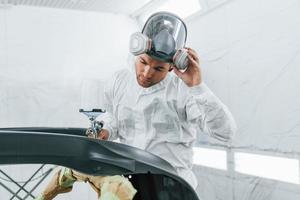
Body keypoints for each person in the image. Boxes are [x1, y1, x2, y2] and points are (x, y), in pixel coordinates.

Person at [36, 11, 236, 200]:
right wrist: (107, 129)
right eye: (143, 62)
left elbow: (225, 133)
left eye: (159, 68)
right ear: (136, 52)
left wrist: (197, 86)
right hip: (130, 180)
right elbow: (113, 116)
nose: (147, 73)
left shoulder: (184, 91)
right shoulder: (120, 81)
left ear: (173, 66)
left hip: (172, 185)